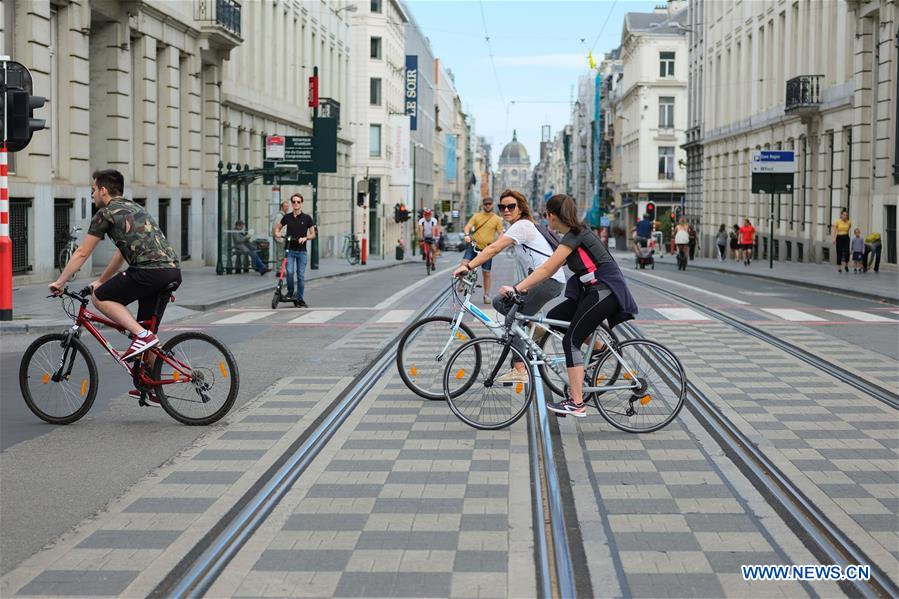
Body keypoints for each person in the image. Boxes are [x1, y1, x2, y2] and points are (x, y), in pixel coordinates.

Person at [497, 194, 638, 417]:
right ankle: (599, 349)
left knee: (570, 340)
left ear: (552, 216)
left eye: (547, 216)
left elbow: (545, 270)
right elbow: (550, 267)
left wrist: (516, 288)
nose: (546, 220)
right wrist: (524, 286)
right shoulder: (571, 236)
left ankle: (577, 402)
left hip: (604, 290)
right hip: (591, 290)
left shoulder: (575, 235)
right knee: (555, 319)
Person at [49, 169, 182, 400]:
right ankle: (151, 385)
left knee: (99, 297)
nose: (92, 196)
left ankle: (141, 335)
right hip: (171, 271)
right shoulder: (135, 208)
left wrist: (61, 281)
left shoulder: (106, 213)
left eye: (93, 191)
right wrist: (101, 280)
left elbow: (82, 252)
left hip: (148, 272)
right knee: (147, 329)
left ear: (103, 190)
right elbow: (122, 253)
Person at [453, 189, 565, 383]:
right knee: (499, 302)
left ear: (520, 208)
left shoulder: (521, 225)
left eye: (511, 206)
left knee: (513, 317)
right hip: (541, 279)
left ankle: (519, 369)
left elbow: (494, 248)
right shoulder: (522, 225)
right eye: (502, 207)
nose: (506, 210)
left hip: (548, 280)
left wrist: (468, 265)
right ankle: (537, 332)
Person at [275, 192, 315, 307]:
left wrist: (305, 238)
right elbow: (277, 228)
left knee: (301, 276)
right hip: (290, 251)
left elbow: (313, 234)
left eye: (298, 202)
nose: (296, 204)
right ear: (292, 204)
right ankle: (291, 291)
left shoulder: (307, 218)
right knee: (290, 272)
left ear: (301, 203)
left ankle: (300, 298)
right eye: (294, 202)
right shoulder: (287, 217)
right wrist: (277, 233)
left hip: (302, 252)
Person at [462, 197, 504, 303]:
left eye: (490, 204)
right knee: (464, 263)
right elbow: (468, 226)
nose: (488, 206)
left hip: (487, 249)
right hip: (474, 245)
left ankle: (486, 295)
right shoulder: (477, 216)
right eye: (486, 204)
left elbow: (501, 234)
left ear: (492, 205)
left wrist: (498, 244)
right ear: (483, 205)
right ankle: (462, 282)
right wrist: (467, 235)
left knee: (486, 273)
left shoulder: (497, 219)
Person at [832, 208, 851, 273]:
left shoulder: (849, 222)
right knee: (839, 253)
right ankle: (839, 268)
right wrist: (834, 238)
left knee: (847, 252)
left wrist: (847, 237)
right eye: (844, 215)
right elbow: (834, 230)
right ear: (841, 215)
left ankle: (846, 265)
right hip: (839, 237)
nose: (845, 216)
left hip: (846, 237)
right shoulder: (837, 221)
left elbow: (848, 229)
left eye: (846, 215)